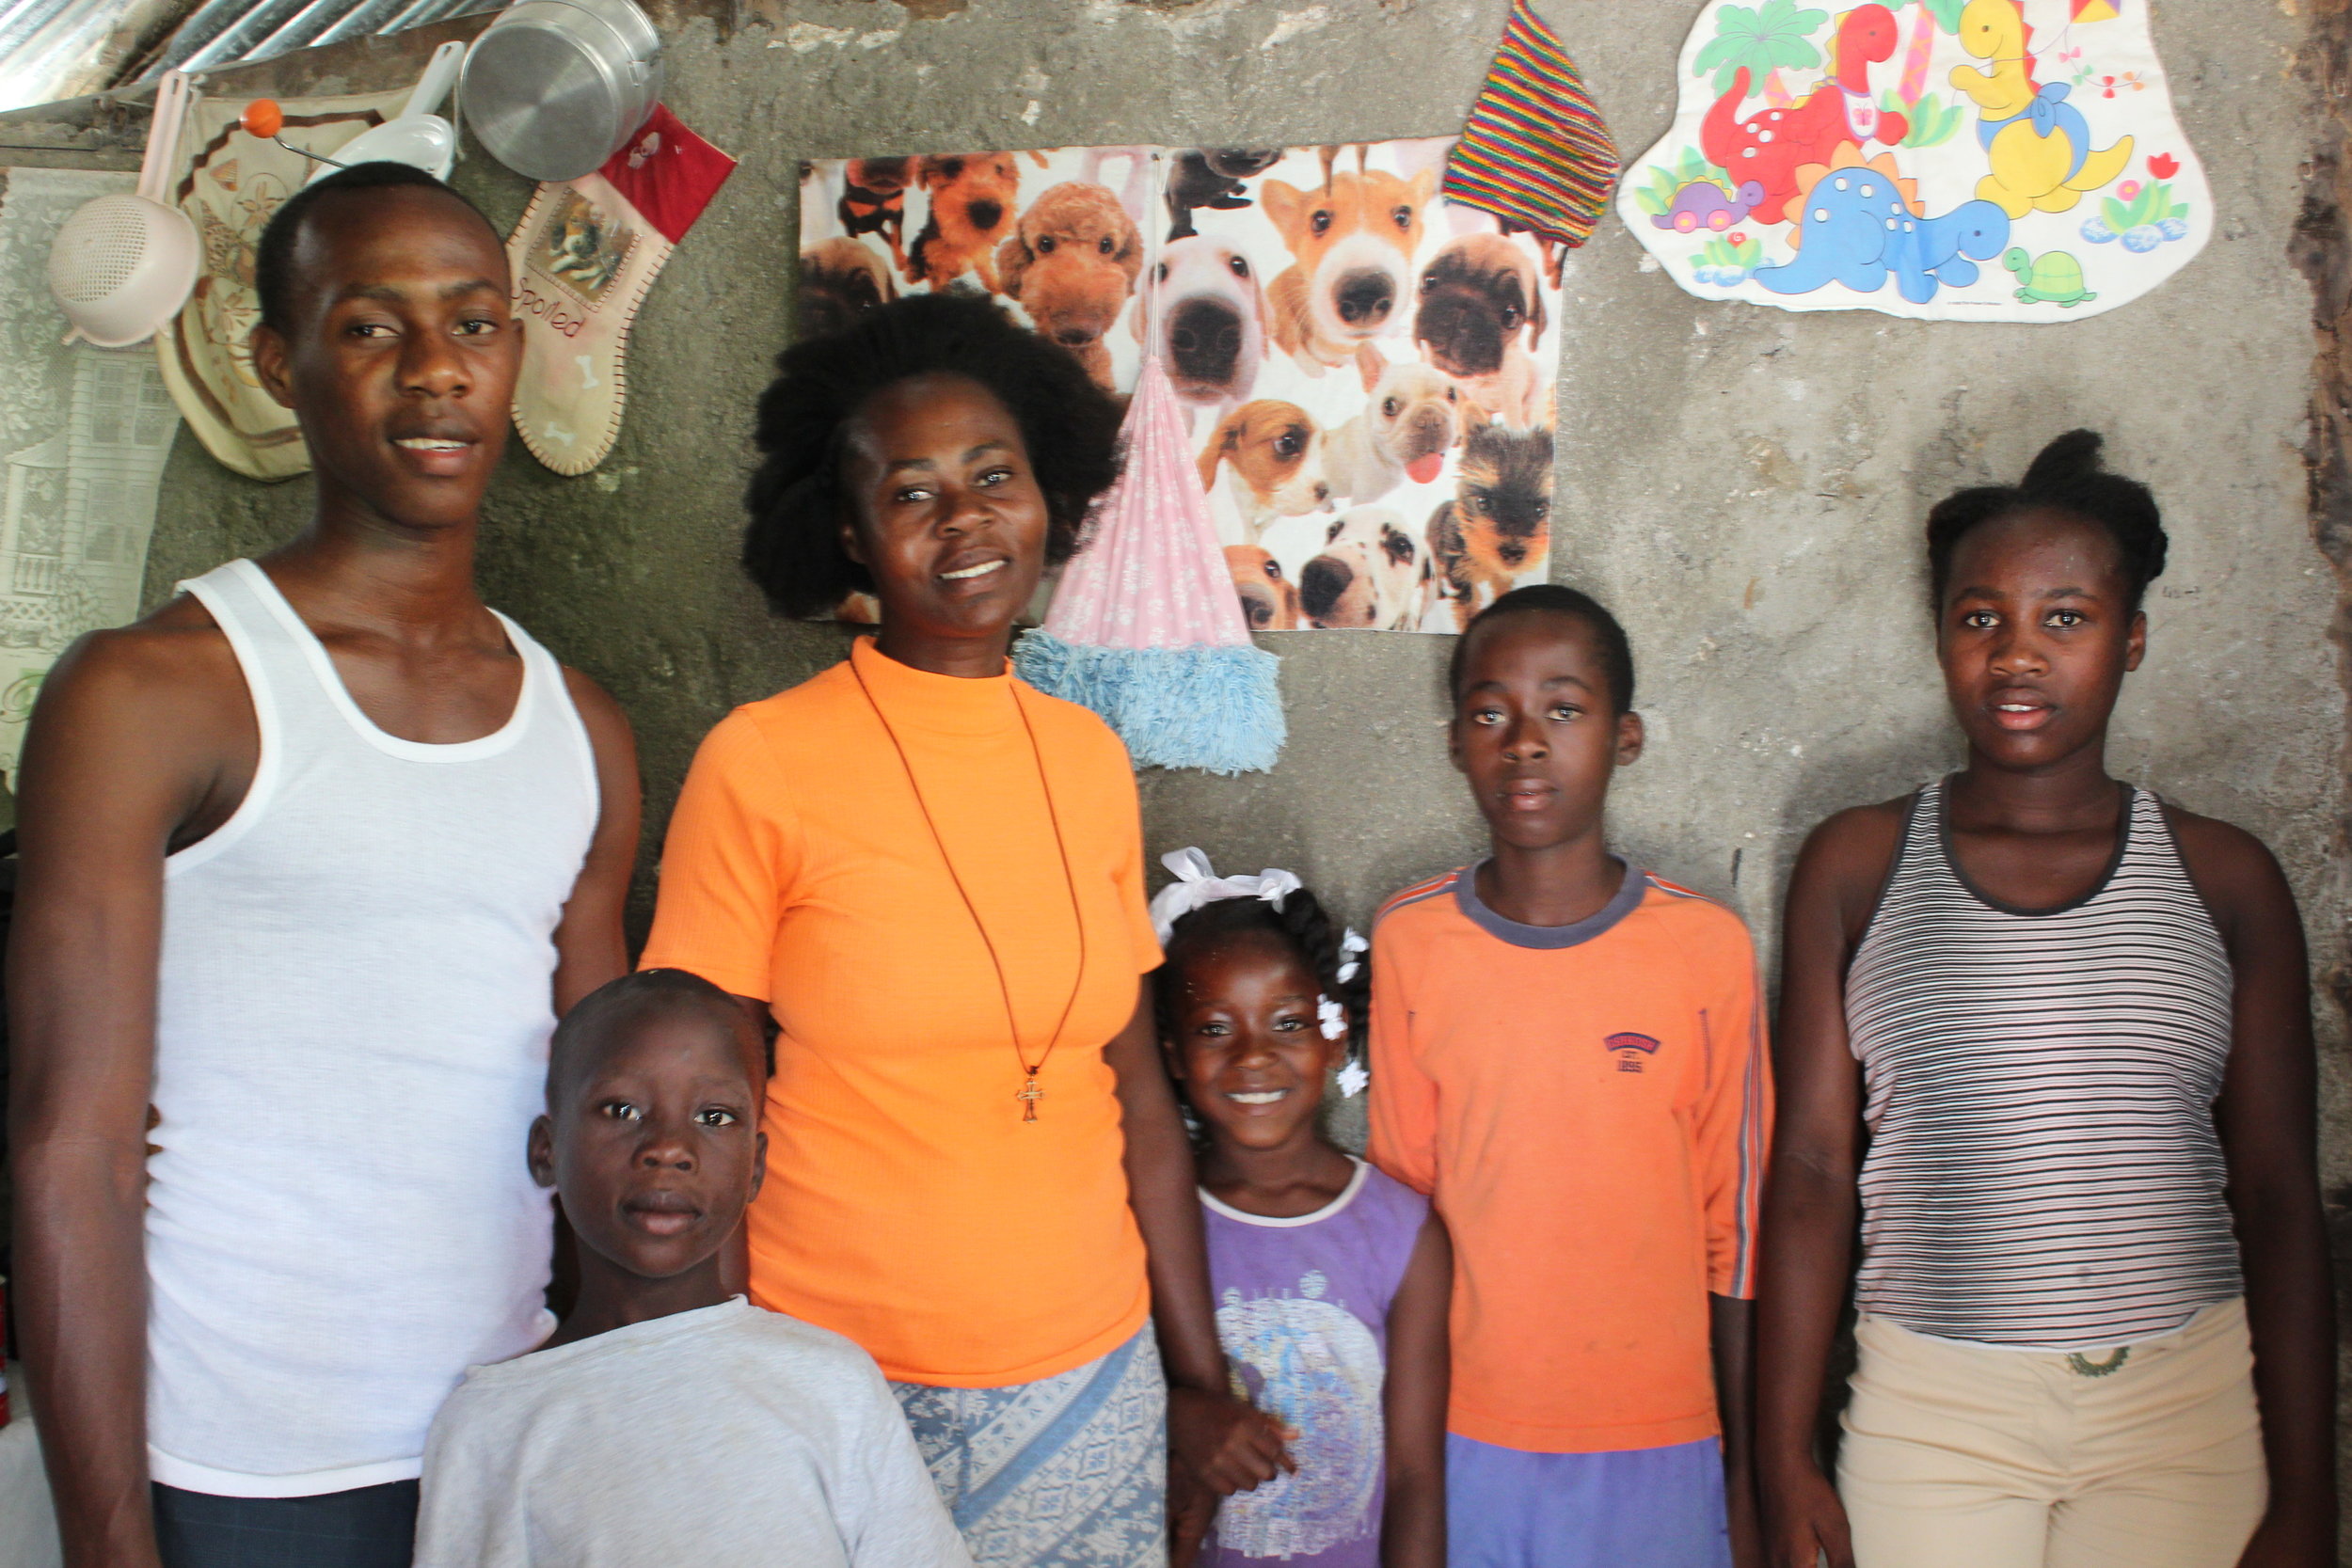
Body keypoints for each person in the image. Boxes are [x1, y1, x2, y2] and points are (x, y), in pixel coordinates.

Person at [8, 161, 641, 1568]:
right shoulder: (152, 693)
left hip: (503, 1444)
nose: (435, 373)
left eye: (475, 324)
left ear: (516, 354)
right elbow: (72, 1146)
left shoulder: (582, 730)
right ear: (275, 364)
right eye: (370, 327)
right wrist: (111, 1541)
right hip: (232, 1461)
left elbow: (604, 1132)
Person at [640, 292, 1283, 1566]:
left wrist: (1192, 1374)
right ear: (851, 533)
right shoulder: (762, 761)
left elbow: (1134, 1095)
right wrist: (699, 1377)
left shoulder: (1090, 756)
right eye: (913, 491)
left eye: (994, 475)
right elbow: (686, 1110)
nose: (966, 517)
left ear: (1047, 493)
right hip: (832, 1377)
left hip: (1090, 1373)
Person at [1756, 431, 2336, 1568]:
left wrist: (2311, 1491)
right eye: (1980, 618)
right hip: (1933, 1409)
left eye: (2063, 617)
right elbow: (1815, 1171)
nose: (2017, 654)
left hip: (2182, 1408)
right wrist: (1782, 1453)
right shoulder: (1858, 862)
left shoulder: (2224, 877)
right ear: (1939, 638)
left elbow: (2276, 1195)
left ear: (2131, 640)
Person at [1369, 584, 1770, 1568]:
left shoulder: (1704, 949)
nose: (1524, 740)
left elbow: (1737, 1225)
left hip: (1660, 1434)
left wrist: (1752, 1462)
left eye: (1563, 706)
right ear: (1456, 740)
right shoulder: (1411, 939)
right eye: (1489, 710)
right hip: (1466, 1429)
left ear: (1625, 736)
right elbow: (1398, 1212)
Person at [411, 970, 971, 1568]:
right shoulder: (491, 1425)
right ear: (548, 1151)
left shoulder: (830, 1382)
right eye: (621, 1108)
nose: (668, 1147)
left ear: (754, 1168)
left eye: (714, 1117)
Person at [1151, 852, 1451, 1568]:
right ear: (1170, 1054)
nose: (1254, 1056)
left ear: (1334, 1033)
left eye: (1287, 1021)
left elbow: (1415, 1476)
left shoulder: (1401, 1232)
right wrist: (1174, 1415)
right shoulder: (1149, 1226)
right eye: (1217, 1029)